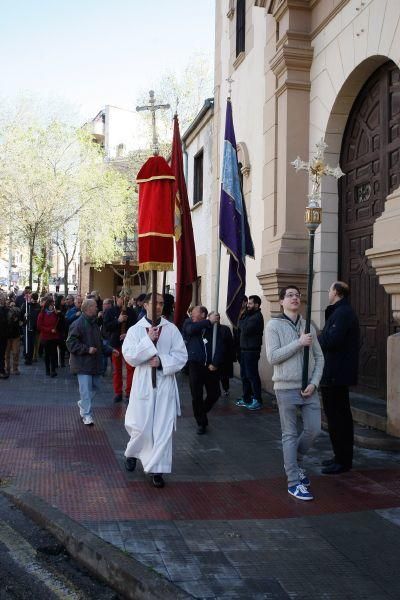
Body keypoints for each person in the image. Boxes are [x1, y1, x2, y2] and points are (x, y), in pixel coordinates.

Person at [122, 293, 187, 488]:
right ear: (145, 304)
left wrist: (162, 362)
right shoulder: (136, 330)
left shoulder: (171, 329)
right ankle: (132, 452)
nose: (158, 306)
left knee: (162, 428)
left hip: (165, 383)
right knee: (141, 425)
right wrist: (148, 341)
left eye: (161, 303)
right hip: (143, 382)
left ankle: (157, 469)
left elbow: (182, 356)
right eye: (155, 303)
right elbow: (130, 356)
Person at [265, 285, 324, 501]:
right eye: (290, 295)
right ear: (281, 301)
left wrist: (315, 383)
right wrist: (298, 343)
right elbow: (273, 357)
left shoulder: (308, 325)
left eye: (298, 295)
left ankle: (296, 461)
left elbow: (319, 358)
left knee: (314, 429)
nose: (295, 298)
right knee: (289, 434)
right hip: (285, 386)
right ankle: (293, 482)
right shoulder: (273, 326)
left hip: (308, 388)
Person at [318, 281, 360, 475]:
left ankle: (343, 461)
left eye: (329, 289)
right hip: (333, 373)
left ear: (336, 292)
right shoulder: (338, 312)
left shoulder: (343, 313)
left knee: (338, 419)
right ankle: (339, 457)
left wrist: (316, 338)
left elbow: (332, 340)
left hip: (336, 374)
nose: (328, 292)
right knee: (334, 418)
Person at [66, 299, 118, 426]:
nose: (97, 308)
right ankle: (87, 415)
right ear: (88, 308)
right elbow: (70, 343)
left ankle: (83, 403)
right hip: (82, 364)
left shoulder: (93, 324)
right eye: (95, 306)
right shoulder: (78, 324)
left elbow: (99, 343)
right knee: (85, 391)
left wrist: (110, 350)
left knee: (95, 387)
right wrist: (87, 349)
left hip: (94, 363)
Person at [182, 306, 223, 434]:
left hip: (210, 367)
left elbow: (220, 346)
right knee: (196, 395)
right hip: (195, 365)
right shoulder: (188, 323)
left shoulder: (214, 328)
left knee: (215, 394)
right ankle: (201, 423)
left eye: (194, 313)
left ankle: (201, 411)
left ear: (203, 314)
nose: (191, 315)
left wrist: (215, 363)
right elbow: (191, 330)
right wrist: (208, 321)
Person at [103, 294, 137, 402]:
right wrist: (118, 321)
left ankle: (129, 392)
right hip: (115, 344)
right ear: (117, 298)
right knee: (116, 370)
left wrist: (128, 334)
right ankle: (118, 392)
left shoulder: (132, 312)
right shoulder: (110, 311)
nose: (124, 300)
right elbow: (106, 327)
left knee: (130, 368)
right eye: (122, 298)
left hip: (129, 344)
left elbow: (136, 328)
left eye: (126, 298)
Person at [236, 295, 264, 410]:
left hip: (251, 351)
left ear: (256, 305)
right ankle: (246, 398)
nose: (248, 305)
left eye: (250, 303)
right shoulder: (249, 315)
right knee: (244, 376)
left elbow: (244, 329)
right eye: (248, 303)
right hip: (244, 350)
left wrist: (242, 317)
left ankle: (257, 400)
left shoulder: (257, 317)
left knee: (252, 376)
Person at [208, 311, 236, 396]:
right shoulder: (207, 328)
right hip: (211, 358)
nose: (216, 319)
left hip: (224, 358)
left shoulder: (225, 329)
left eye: (218, 317)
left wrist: (232, 357)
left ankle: (225, 389)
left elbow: (230, 343)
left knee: (224, 376)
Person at [37, 296, 59, 377]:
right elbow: (39, 326)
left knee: (53, 354)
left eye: (53, 305)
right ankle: (47, 369)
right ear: (47, 305)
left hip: (54, 337)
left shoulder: (55, 313)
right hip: (46, 337)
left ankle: (53, 370)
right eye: (51, 305)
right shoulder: (42, 314)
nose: (52, 306)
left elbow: (60, 322)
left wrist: (59, 314)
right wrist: (49, 330)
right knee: (47, 354)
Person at [5, 301, 22, 375]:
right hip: (7, 336)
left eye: (14, 305)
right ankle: (7, 368)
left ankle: (15, 368)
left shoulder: (18, 312)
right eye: (11, 305)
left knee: (15, 352)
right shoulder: (5, 312)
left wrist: (19, 320)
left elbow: (22, 322)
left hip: (15, 335)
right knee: (6, 353)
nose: (12, 307)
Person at [0, 294, 10, 379]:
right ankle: (1, 371)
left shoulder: (5, 309)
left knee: (2, 353)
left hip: (4, 335)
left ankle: (2, 370)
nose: (3, 300)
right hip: (2, 334)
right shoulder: (3, 310)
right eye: (2, 299)